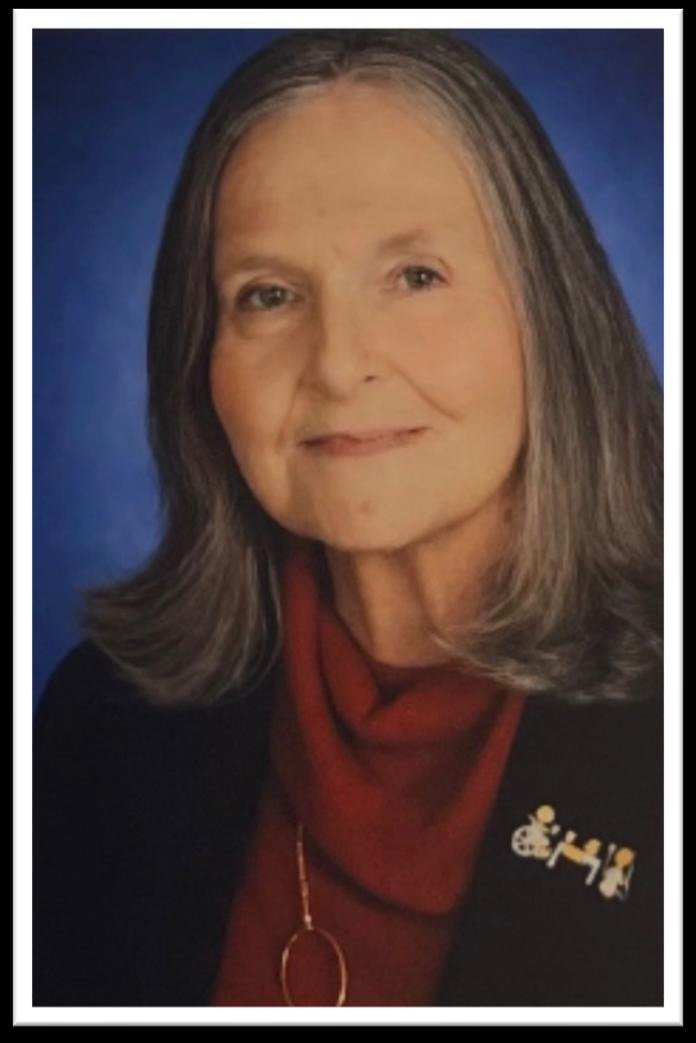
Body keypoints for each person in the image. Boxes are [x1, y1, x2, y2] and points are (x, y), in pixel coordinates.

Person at [33, 28, 663, 1008]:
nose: (336, 362)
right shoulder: (99, 730)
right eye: (269, 295)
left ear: (549, 314)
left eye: (416, 276)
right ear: (200, 363)